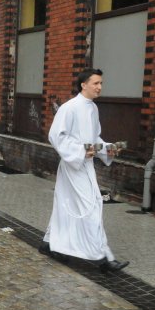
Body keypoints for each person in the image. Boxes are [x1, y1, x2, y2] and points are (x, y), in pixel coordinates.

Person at [39, 68, 130, 274]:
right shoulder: (69, 108)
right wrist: (79, 151)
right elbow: (56, 136)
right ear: (83, 85)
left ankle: (48, 243)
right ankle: (104, 258)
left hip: (84, 166)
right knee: (91, 206)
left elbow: (94, 139)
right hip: (73, 166)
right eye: (96, 83)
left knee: (66, 205)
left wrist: (108, 148)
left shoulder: (93, 109)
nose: (99, 87)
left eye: (101, 83)